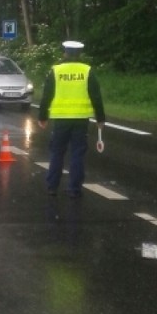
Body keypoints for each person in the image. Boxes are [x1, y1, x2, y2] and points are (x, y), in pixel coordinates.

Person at [38, 41, 106, 198]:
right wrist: (100, 118)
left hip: (61, 119)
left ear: (65, 53)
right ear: (79, 54)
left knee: (57, 152)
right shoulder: (87, 71)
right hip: (81, 119)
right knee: (77, 154)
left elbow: (47, 94)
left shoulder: (56, 71)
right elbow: (96, 95)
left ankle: (52, 187)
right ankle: (74, 189)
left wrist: (43, 116)